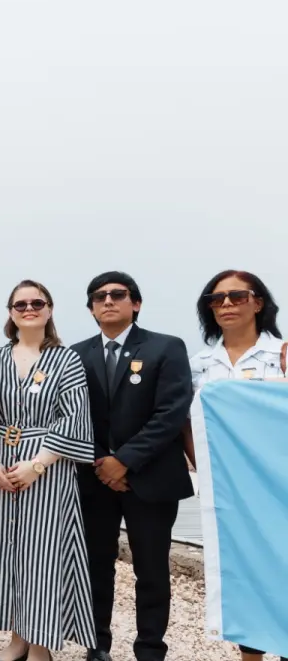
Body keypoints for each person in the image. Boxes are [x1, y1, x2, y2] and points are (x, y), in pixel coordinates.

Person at [0, 280, 96, 661]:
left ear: (50, 309)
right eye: (20, 304)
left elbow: (75, 419)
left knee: (43, 554)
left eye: (37, 302)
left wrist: (37, 465)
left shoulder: (66, 360)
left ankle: (40, 644)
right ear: (10, 312)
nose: (28, 309)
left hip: (47, 466)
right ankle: (16, 638)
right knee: (4, 550)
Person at [70, 271, 193, 661]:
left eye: (117, 295)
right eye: (98, 297)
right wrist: (100, 463)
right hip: (93, 481)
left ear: (135, 303)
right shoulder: (75, 354)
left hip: (152, 479)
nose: (107, 301)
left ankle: (150, 649)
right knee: (95, 567)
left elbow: (171, 413)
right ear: (91, 308)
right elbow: (70, 417)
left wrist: (124, 462)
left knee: (152, 571)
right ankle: (97, 645)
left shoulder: (166, 348)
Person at [183, 270, 284, 661]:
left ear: (258, 302)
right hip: (228, 493)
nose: (226, 304)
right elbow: (185, 423)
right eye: (216, 298)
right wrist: (200, 465)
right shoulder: (199, 365)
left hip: (279, 489)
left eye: (237, 296)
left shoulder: (283, 355)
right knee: (244, 575)